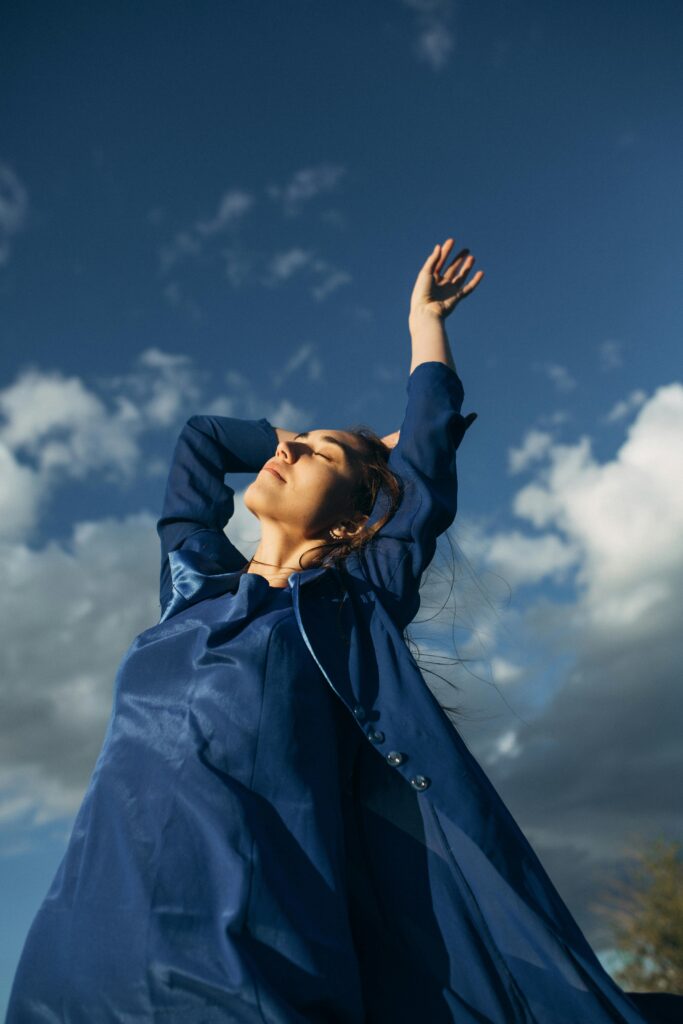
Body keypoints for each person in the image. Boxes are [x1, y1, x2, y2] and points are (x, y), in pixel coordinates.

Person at [6, 238, 680, 1023]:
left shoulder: (349, 607)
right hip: (78, 959)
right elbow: (198, 441)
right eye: (296, 443)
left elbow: (422, 469)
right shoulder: (192, 592)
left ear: (361, 520)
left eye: (317, 453)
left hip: (244, 969)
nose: (290, 450)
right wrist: (294, 440)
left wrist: (422, 327)